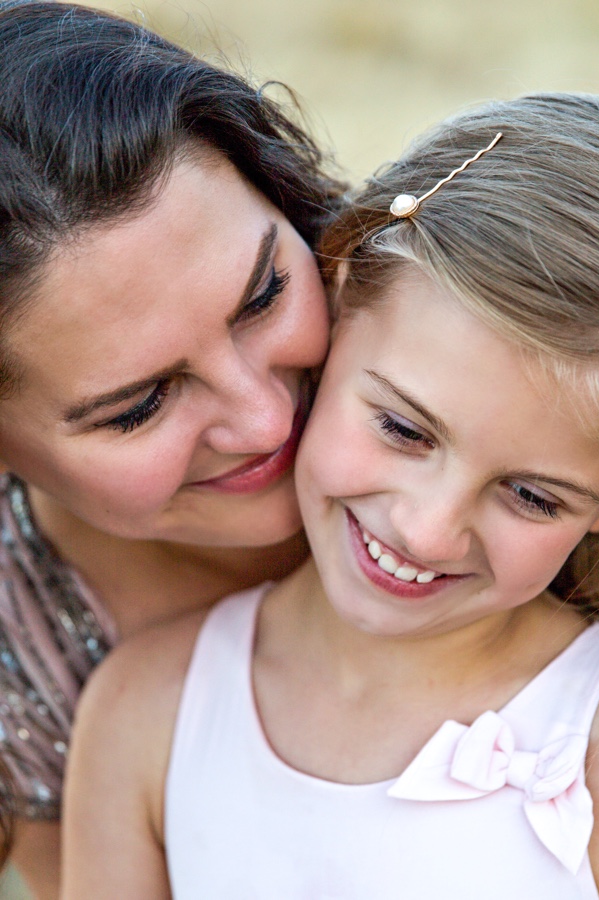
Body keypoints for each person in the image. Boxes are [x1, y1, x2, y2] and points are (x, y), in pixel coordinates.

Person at [62, 94, 599, 898]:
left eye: (531, 496)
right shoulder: (146, 712)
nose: (429, 530)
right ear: (337, 299)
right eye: (406, 431)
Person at [0, 1, 345, 895]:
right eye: (142, 405)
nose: (266, 421)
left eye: (264, 294)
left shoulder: (501, 340)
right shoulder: (22, 672)